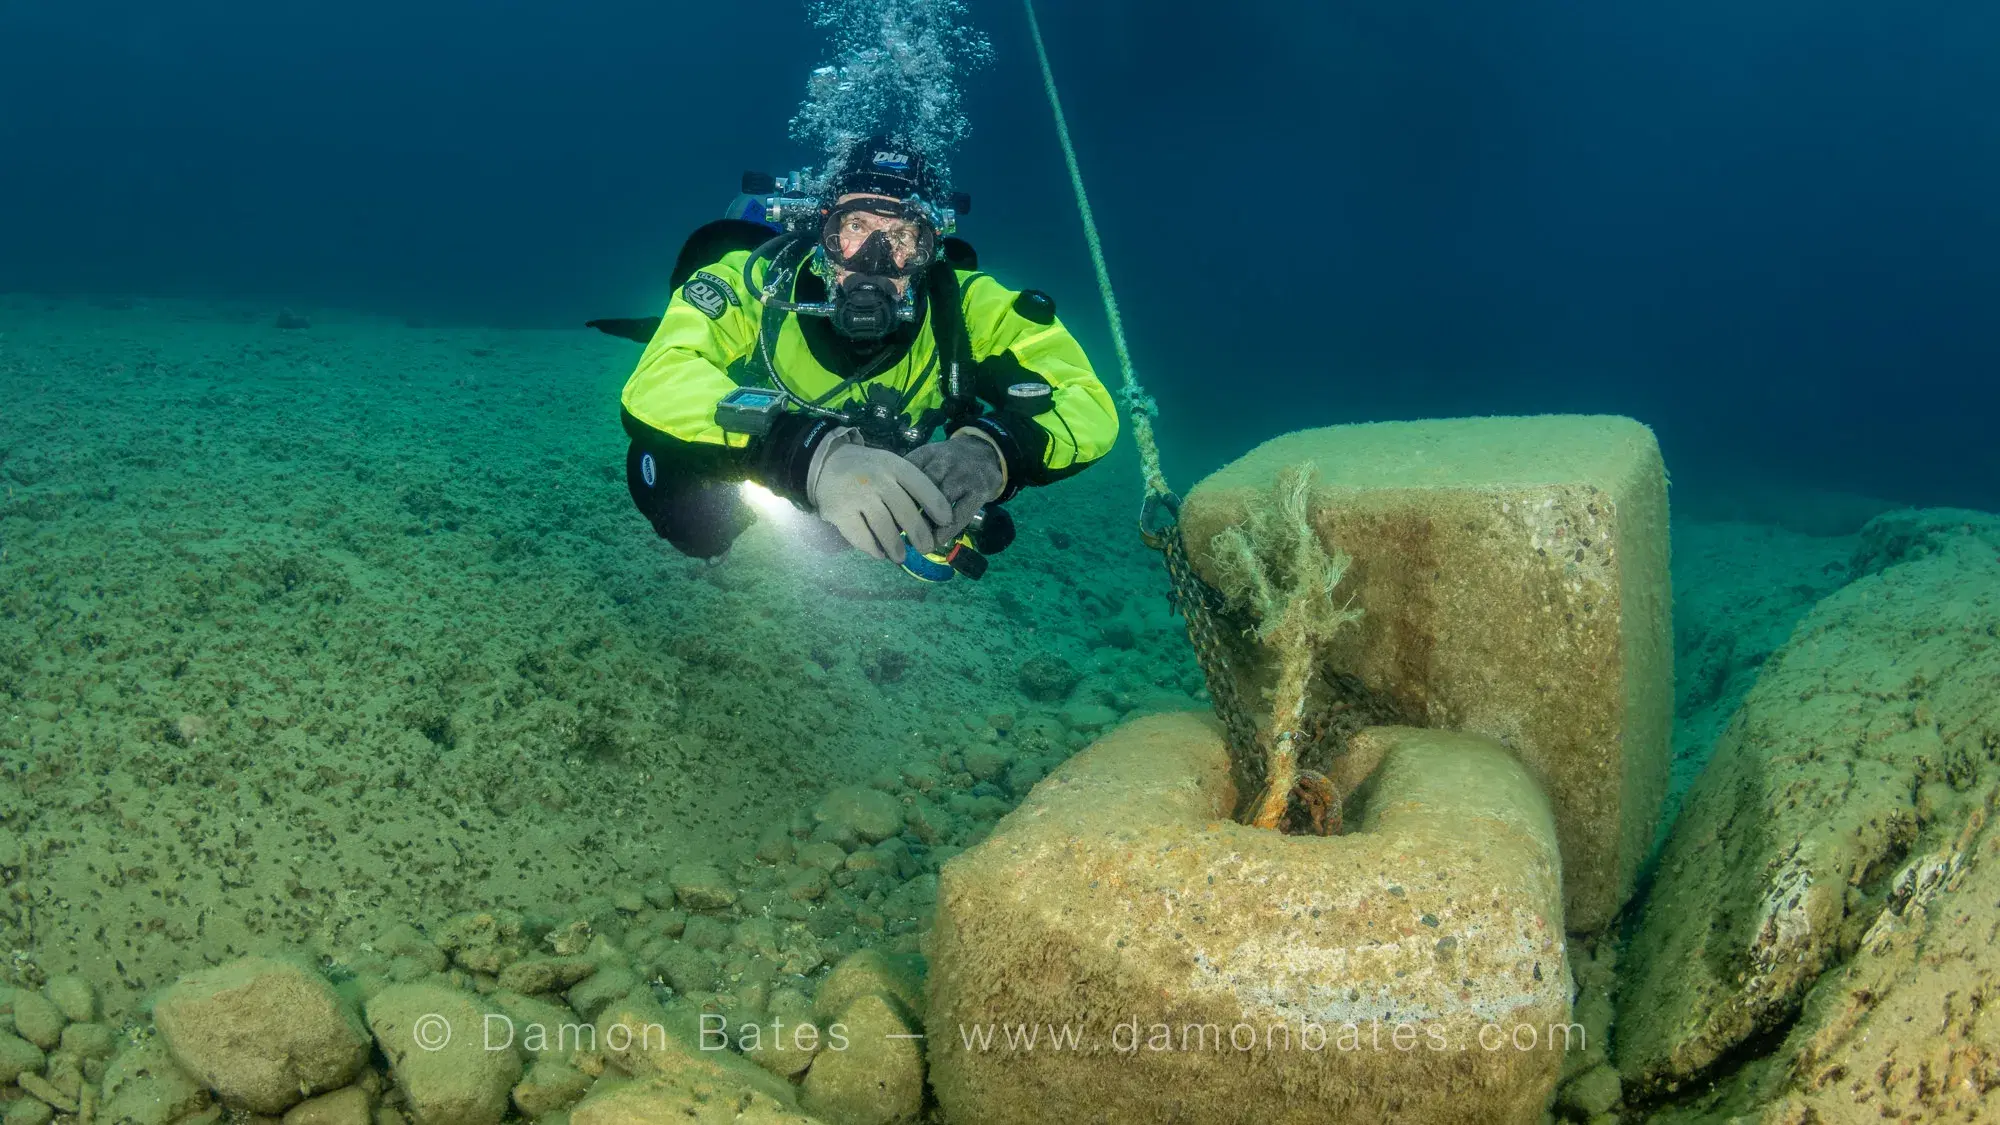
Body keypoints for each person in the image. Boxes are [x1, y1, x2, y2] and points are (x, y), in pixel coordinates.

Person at [612, 137, 1119, 566]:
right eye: (855, 229)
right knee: (692, 525)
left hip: (869, 472)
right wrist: (804, 453)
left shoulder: (972, 307)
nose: (876, 260)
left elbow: (1085, 401)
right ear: (822, 232)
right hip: (762, 449)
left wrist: (991, 453)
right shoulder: (754, 283)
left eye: (902, 236)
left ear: (931, 247)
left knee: (832, 542)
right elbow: (661, 377)